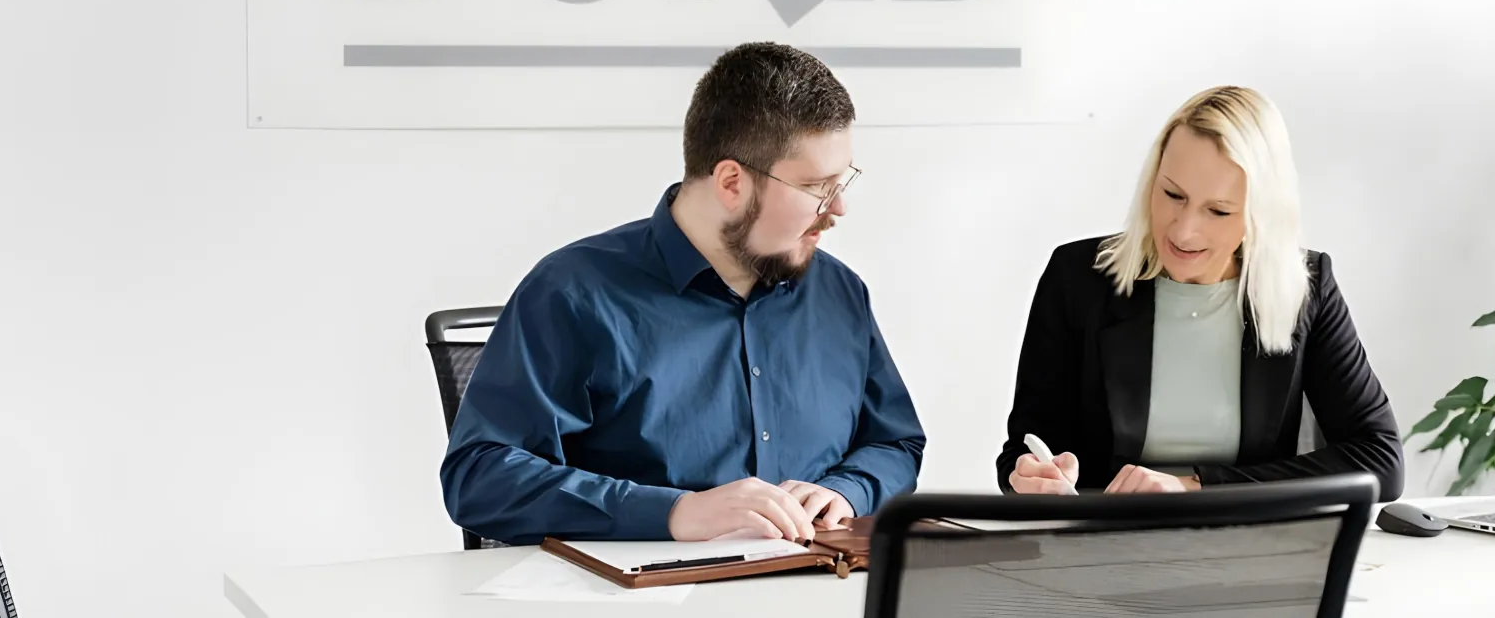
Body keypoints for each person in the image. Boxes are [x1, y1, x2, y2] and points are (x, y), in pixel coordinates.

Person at [441, 42, 925, 545]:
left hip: (821, 580)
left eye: (842, 181)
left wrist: (847, 490)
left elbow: (895, 442)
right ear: (732, 182)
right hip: (643, 586)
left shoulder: (839, 292)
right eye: (818, 186)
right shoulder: (572, 293)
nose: (839, 207)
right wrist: (675, 513)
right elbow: (479, 478)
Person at [998, 86, 1403, 499]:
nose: (1184, 230)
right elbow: (1022, 450)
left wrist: (1194, 487)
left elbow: (1381, 461)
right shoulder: (1077, 278)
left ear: (1261, 214)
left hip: (1245, 533)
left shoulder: (1305, 287)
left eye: (1218, 211)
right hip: (1103, 534)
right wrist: (1030, 475)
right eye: (1173, 195)